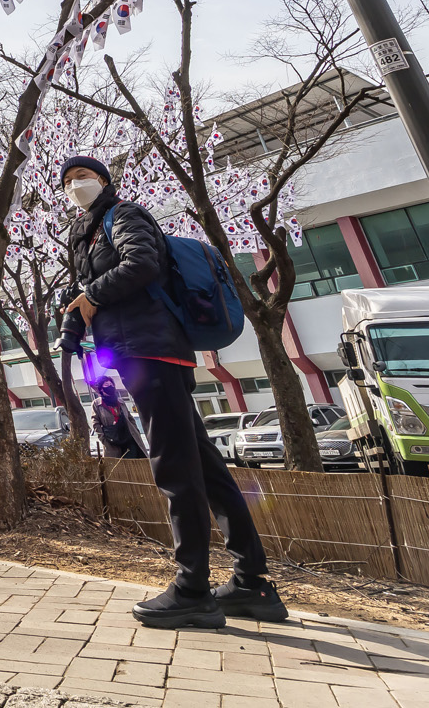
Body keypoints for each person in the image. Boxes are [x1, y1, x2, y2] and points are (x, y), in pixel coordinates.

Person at [58, 154, 287, 629]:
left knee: (173, 468)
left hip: (155, 352)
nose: (75, 184)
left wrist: (93, 295)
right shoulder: (88, 233)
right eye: (68, 180)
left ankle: (192, 590)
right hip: (139, 351)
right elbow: (105, 288)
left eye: (84, 176)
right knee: (204, 464)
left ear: (104, 181)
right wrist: (83, 307)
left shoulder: (125, 216)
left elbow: (141, 263)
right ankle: (251, 581)